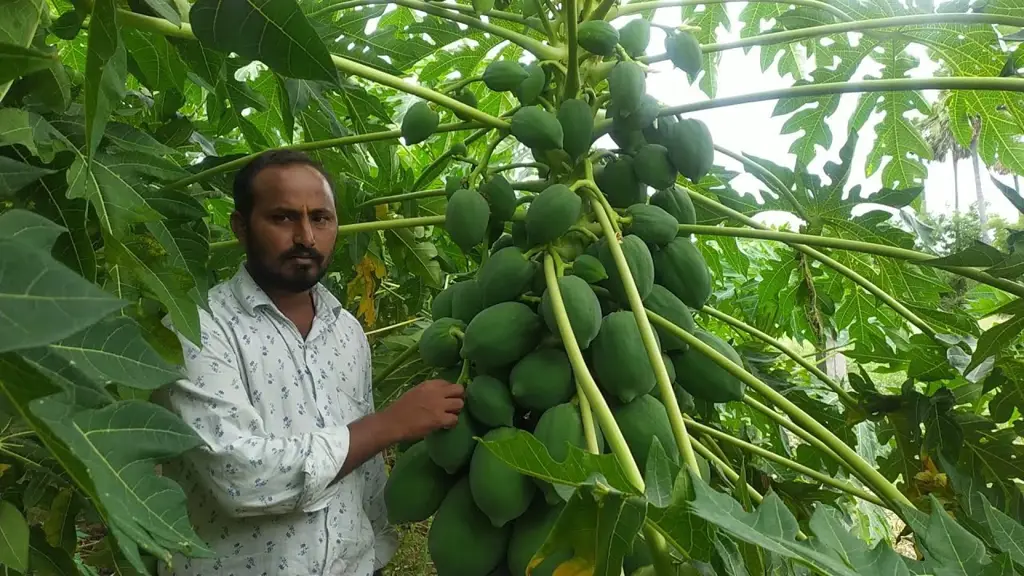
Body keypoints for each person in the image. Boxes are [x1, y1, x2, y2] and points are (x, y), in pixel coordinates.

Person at [155, 150, 465, 576]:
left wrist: (372, 556)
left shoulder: (348, 332)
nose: (306, 236)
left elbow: (365, 477)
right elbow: (240, 478)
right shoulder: (195, 327)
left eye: (321, 218)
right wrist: (392, 423)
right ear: (240, 227)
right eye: (283, 218)